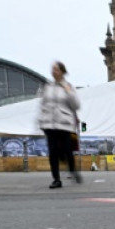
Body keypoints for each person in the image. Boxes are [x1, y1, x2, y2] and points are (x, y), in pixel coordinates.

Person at [38, 61, 81, 189]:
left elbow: (76, 105)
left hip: (64, 124)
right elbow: (43, 105)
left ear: (62, 71)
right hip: (49, 125)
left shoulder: (68, 87)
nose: (53, 71)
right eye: (52, 69)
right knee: (53, 153)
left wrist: (69, 92)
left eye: (56, 69)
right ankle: (56, 179)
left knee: (67, 151)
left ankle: (72, 170)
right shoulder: (48, 87)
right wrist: (42, 120)